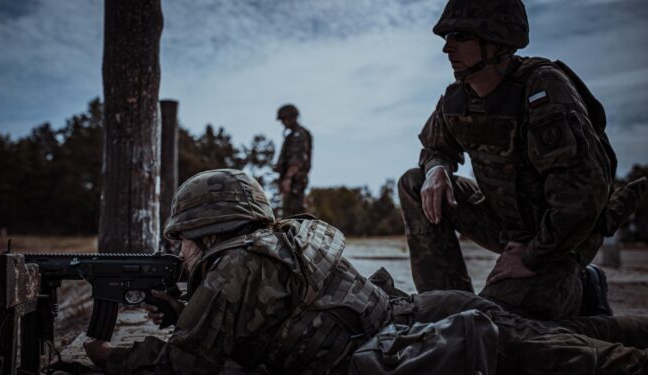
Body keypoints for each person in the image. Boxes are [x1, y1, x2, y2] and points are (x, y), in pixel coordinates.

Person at [84, 169, 648, 375]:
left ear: (209, 227)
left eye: (181, 238)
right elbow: (267, 315)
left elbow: (186, 364)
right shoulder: (280, 239)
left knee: (561, 356)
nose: (178, 250)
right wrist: (189, 310)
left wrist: (115, 358)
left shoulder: (233, 268)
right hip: (419, 313)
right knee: (554, 338)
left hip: (409, 345)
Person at [397, 0, 646, 320]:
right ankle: (446, 305)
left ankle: (584, 287)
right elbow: (435, 147)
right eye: (447, 37)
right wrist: (437, 168)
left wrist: (531, 258)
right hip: (507, 224)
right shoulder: (457, 98)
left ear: (496, 40)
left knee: (503, 324)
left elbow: (580, 200)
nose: (447, 48)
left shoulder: (543, 89)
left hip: (561, 236)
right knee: (414, 183)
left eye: (459, 36)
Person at [274, 104, 312, 217]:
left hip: (295, 182)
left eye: (284, 119)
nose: (283, 123)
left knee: (294, 216)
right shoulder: (292, 135)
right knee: (290, 214)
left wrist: (288, 178)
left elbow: (297, 160)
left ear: (292, 118)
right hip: (293, 182)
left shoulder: (298, 135)